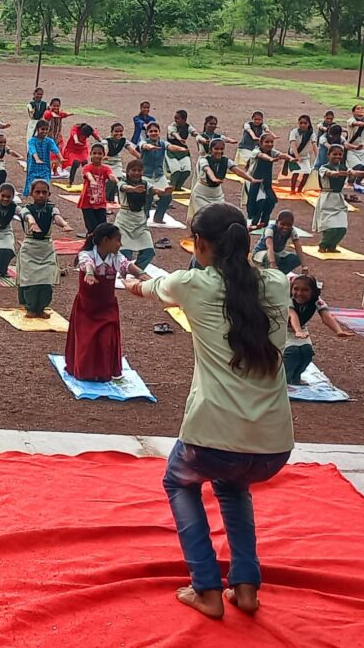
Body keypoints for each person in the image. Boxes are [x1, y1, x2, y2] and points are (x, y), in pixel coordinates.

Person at [127, 202, 294, 620]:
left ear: (199, 243)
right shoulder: (277, 284)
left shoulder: (190, 284)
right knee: (233, 486)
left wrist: (131, 279)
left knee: (179, 481)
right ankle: (246, 587)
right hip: (273, 445)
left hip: (211, 436)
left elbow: (148, 288)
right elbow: (250, 282)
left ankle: (206, 587)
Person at [63, 222, 130, 382]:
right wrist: (90, 274)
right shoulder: (86, 254)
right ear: (106, 240)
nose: (120, 244)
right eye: (117, 240)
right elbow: (88, 264)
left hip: (107, 306)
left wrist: (142, 275)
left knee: (107, 338)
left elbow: (127, 265)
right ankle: (85, 372)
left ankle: (103, 372)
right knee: (87, 341)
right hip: (87, 307)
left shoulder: (116, 257)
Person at [16, 179, 70, 317]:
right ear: (31, 194)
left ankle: (41, 308)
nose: (41, 195)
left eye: (44, 192)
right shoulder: (26, 209)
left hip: (46, 248)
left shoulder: (52, 208)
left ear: (49, 194)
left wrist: (64, 224)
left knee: (47, 280)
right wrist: (33, 223)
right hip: (30, 248)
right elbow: (28, 217)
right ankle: (30, 307)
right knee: (30, 280)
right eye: (37, 192)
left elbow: (57, 217)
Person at [285, 273, 351, 385]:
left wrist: (338, 330)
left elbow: (326, 316)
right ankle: (285, 378)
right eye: (296, 289)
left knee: (307, 352)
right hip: (283, 329)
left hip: (300, 330)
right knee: (292, 352)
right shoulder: (288, 299)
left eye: (305, 290)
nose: (299, 293)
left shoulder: (317, 301)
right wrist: (298, 330)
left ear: (313, 292)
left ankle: (296, 377)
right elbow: (292, 315)